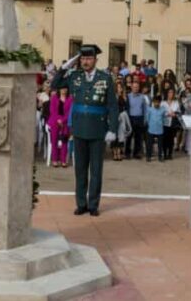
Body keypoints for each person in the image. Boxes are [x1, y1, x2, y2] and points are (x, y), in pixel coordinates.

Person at [50, 45, 118, 217]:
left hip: (97, 129)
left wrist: (113, 129)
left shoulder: (105, 78)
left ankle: (93, 204)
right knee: (80, 170)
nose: (85, 62)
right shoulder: (75, 76)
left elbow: (112, 105)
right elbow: (55, 84)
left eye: (89, 59)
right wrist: (66, 66)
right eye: (83, 59)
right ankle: (81, 203)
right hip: (79, 128)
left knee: (96, 170)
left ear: (95, 60)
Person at [48, 86, 72, 167]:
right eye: (62, 88)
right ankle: (54, 159)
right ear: (59, 89)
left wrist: (63, 120)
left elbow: (69, 112)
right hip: (55, 121)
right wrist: (58, 120)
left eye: (65, 88)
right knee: (54, 141)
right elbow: (52, 110)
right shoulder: (54, 97)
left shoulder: (70, 98)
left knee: (64, 141)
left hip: (65, 123)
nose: (64, 90)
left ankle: (63, 160)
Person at [126, 81, 149, 159]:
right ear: (131, 87)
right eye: (134, 87)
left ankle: (136, 153)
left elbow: (145, 109)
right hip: (131, 118)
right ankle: (127, 153)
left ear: (139, 88)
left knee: (138, 137)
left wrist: (145, 119)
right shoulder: (128, 96)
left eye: (137, 87)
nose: (135, 88)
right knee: (129, 136)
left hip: (140, 118)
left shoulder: (142, 97)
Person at [112, 80, 132, 161]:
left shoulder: (124, 96)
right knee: (114, 136)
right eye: (118, 87)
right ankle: (115, 153)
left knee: (121, 135)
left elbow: (126, 107)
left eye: (120, 87)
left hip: (122, 116)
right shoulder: (113, 96)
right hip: (114, 116)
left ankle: (119, 153)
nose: (119, 88)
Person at [161, 88, 180, 160]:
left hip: (172, 123)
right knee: (164, 139)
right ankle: (165, 153)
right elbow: (161, 111)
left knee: (171, 139)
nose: (170, 94)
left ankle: (170, 153)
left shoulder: (176, 102)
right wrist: (167, 114)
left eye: (172, 92)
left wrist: (175, 114)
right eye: (169, 92)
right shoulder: (163, 102)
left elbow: (178, 111)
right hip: (164, 122)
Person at [146, 94, 166, 162]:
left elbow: (163, 119)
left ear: (160, 102)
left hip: (160, 129)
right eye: (155, 102)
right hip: (151, 129)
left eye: (158, 102)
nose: (156, 103)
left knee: (160, 145)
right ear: (153, 102)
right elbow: (147, 118)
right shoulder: (150, 109)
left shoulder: (163, 110)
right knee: (149, 144)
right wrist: (149, 125)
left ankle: (160, 156)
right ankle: (148, 156)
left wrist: (161, 124)